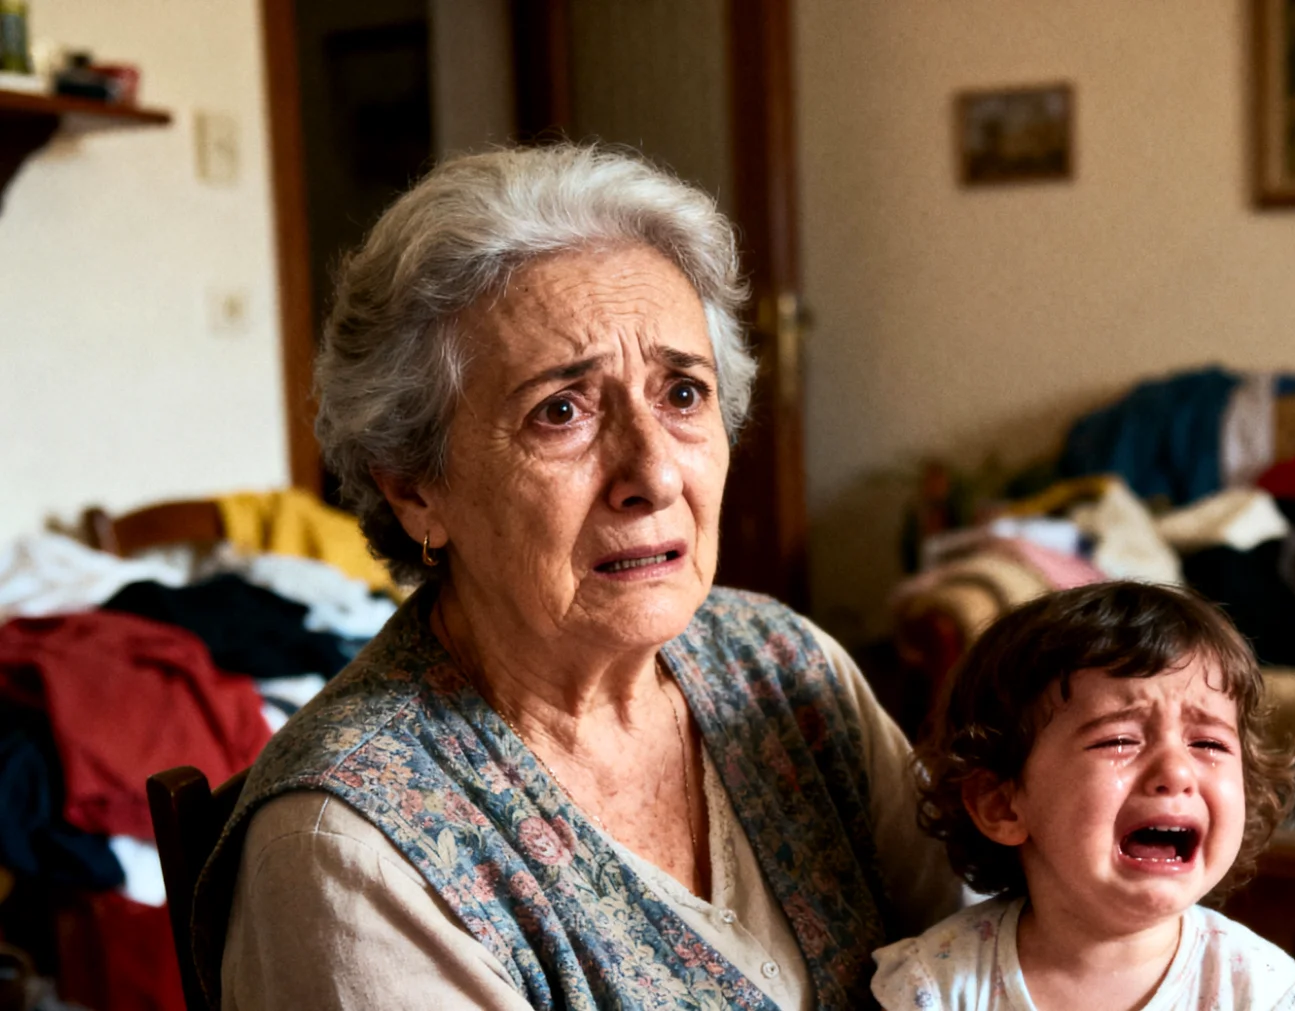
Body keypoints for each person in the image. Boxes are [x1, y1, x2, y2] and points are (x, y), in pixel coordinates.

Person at [196, 145, 961, 1010]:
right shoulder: (355, 850)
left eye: (682, 394)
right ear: (414, 486)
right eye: (560, 410)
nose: (656, 475)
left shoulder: (780, 664)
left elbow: (991, 947)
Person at [874, 582, 1295, 1010]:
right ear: (1001, 804)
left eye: (1209, 743)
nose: (1175, 771)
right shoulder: (939, 987)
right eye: (1119, 740)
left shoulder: (1267, 995)